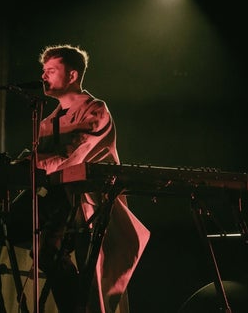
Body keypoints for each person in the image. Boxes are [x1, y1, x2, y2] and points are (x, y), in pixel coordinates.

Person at [32, 44, 150, 313]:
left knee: (54, 254)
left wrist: (32, 163)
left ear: (72, 75)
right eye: (43, 70)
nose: (43, 76)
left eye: (51, 70)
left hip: (87, 202)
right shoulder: (47, 121)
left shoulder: (95, 110)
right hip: (55, 200)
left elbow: (71, 156)